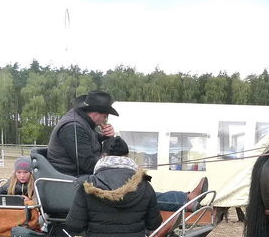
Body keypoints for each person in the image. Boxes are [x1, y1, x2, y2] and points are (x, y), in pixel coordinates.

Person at [47, 90, 208, 211]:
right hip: (72, 181)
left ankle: (183, 200)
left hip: (81, 176)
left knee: (137, 185)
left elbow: (88, 149)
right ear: (97, 113)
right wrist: (118, 169)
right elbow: (87, 163)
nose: (105, 120)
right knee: (133, 192)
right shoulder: (73, 127)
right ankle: (184, 200)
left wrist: (103, 137)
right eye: (105, 116)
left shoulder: (81, 123)